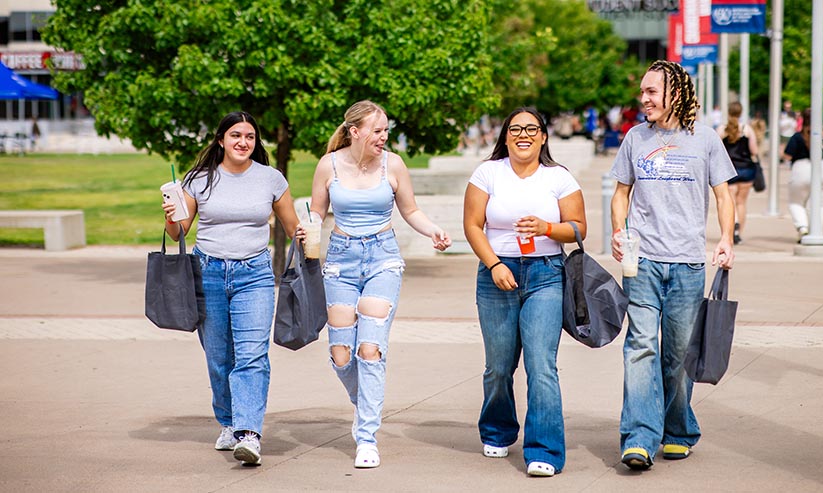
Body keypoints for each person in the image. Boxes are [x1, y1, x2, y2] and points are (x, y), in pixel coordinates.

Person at [307, 100, 452, 469]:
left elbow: (410, 210)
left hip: (382, 258)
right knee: (342, 354)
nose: (384, 137)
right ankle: (365, 402)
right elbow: (317, 212)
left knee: (369, 349)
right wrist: (305, 226)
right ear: (354, 131)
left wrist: (433, 229)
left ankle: (367, 436)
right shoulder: (329, 165)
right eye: (377, 130)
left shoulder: (394, 165)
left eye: (386, 129)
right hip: (340, 261)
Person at [609, 60, 735, 470]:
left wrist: (726, 239)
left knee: (678, 353)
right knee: (641, 346)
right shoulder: (635, 138)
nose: (643, 99)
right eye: (641, 92)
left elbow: (723, 196)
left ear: (675, 94)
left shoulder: (706, 139)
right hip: (641, 262)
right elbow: (620, 194)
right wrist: (618, 232)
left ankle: (678, 430)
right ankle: (639, 437)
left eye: (651, 92)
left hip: (687, 263)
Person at [161, 111, 301, 466]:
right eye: (236, 135)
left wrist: (310, 236)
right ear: (221, 140)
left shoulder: (271, 179)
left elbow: (293, 227)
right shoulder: (199, 180)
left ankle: (249, 432)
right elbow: (179, 232)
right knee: (219, 357)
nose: (243, 142)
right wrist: (170, 213)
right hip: (207, 273)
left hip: (254, 274)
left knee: (252, 355)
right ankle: (228, 422)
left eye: (250, 137)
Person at [463, 107, 587, 478]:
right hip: (497, 274)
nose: (524, 135)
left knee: (541, 365)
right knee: (498, 367)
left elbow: (580, 228)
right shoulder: (488, 173)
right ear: (504, 136)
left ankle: (544, 449)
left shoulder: (559, 177)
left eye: (532, 129)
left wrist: (548, 227)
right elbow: (472, 224)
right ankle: (498, 430)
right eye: (515, 129)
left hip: (546, 275)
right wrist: (494, 264)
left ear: (544, 137)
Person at [783, 108, 823, 242]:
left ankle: (802, 227)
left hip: (801, 169)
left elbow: (787, 155)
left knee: (796, 202)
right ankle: (816, 230)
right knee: (819, 203)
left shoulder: (797, 137)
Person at [717, 102, 760, 244]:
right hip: (747, 169)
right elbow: (754, 151)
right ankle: (738, 233)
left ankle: (731, 227)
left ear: (728, 112)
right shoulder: (747, 129)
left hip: (729, 169)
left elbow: (716, 150)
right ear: (741, 113)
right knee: (742, 203)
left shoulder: (722, 130)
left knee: (730, 201)